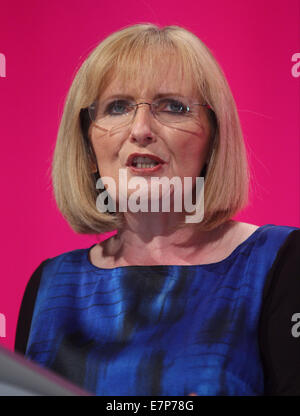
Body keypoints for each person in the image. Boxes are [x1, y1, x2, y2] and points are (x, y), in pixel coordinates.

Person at [15, 23, 300, 396]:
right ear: (87, 144)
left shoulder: (279, 262)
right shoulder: (50, 285)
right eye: (118, 107)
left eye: (172, 107)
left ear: (214, 138)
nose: (141, 129)